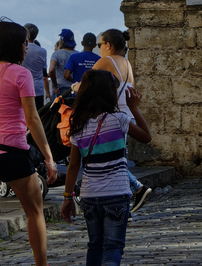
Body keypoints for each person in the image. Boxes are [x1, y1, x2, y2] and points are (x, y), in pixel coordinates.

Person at [0, 21, 58, 266]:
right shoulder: (20, 73)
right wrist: (48, 157)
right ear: (15, 45)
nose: (26, 47)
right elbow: (32, 118)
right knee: (34, 212)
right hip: (13, 151)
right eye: (24, 42)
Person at [60, 69, 154, 266]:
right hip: (116, 194)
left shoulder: (78, 126)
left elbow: (74, 166)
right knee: (113, 247)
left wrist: (68, 197)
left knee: (95, 246)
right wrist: (134, 108)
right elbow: (146, 137)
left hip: (89, 195)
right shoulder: (119, 120)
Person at [91, 29, 157, 211]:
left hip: (113, 117)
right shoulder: (127, 64)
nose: (99, 48)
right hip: (127, 115)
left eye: (99, 45)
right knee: (117, 159)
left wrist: (74, 86)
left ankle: (136, 189)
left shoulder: (106, 61)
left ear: (108, 45)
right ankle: (125, 198)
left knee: (108, 160)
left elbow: (87, 83)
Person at [22, 23, 49, 110]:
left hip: (23, 86)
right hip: (37, 88)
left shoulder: (20, 48)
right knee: (38, 112)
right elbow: (44, 71)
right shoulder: (42, 51)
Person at [49, 29, 77, 96]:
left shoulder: (56, 54)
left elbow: (51, 70)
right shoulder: (78, 54)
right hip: (75, 88)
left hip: (61, 88)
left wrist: (55, 85)